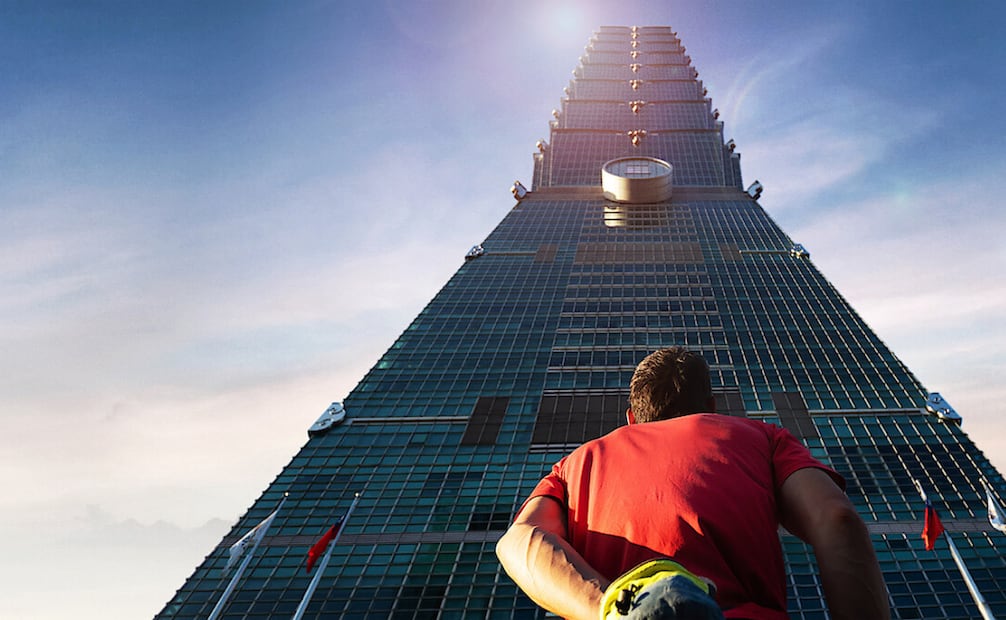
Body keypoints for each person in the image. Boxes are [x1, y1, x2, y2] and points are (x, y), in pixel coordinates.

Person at [496, 347, 889, 620]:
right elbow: (837, 519)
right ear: (712, 409)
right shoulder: (763, 437)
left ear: (632, 417)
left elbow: (520, 541)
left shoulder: (576, 462)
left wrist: (618, 608)